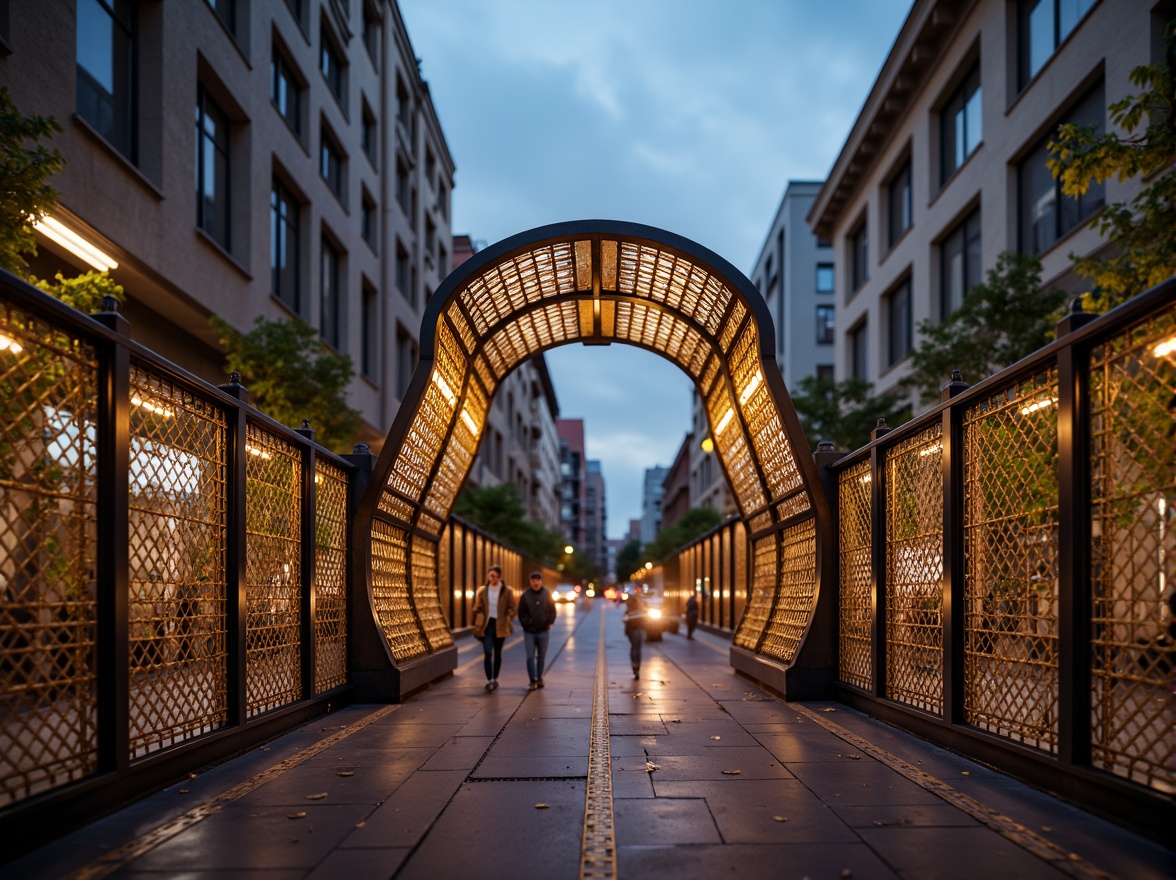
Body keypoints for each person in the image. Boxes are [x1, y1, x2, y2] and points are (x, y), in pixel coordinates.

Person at [472, 565, 516, 692]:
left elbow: (512, 607)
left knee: (498, 653)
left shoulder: (506, 590)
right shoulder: (482, 590)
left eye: (495, 576)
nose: (492, 578)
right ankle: (489, 680)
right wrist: (478, 614)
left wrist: (508, 617)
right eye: (490, 575)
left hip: (500, 624)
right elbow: (476, 607)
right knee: (487, 652)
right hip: (487, 625)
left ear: (499, 576)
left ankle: (495, 678)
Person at [517, 570, 557, 690]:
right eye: (533, 580)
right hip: (529, 631)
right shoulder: (525, 596)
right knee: (530, 657)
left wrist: (550, 622)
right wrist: (526, 625)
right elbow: (521, 612)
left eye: (538, 580)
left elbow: (552, 610)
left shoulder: (546, 594)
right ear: (530, 581)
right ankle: (532, 679)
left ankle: (539, 677)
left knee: (541, 656)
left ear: (541, 581)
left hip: (543, 630)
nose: (536, 582)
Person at [623, 592, 648, 680]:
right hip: (639, 629)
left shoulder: (629, 609)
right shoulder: (640, 608)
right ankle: (637, 668)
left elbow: (625, 620)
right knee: (638, 648)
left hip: (632, 630)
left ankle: (635, 667)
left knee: (634, 647)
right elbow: (646, 618)